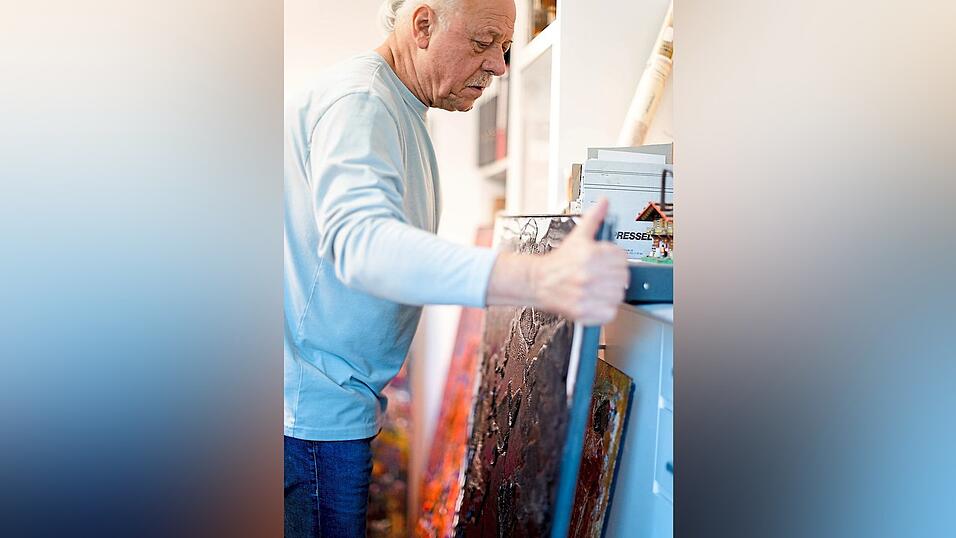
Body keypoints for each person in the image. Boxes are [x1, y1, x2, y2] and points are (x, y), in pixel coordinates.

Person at [284, 0, 629, 535]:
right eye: (482, 42)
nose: (500, 65)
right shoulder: (362, 102)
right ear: (423, 25)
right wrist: (539, 278)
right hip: (308, 420)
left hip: (322, 412)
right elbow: (362, 244)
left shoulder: (398, 106)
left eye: (506, 47)